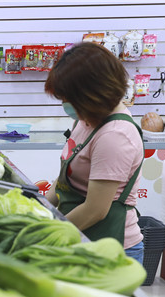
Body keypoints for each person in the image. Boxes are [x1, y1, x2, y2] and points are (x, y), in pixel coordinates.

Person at [43, 42, 145, 263]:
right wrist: (41, 208)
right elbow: (64, 179)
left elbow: (95, 209)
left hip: (109, 247)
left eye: (69, 98)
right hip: (80, 234)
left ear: (93, 94)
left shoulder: (115, 136)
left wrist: (46, 236)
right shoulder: (87, 119)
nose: (65, 104)